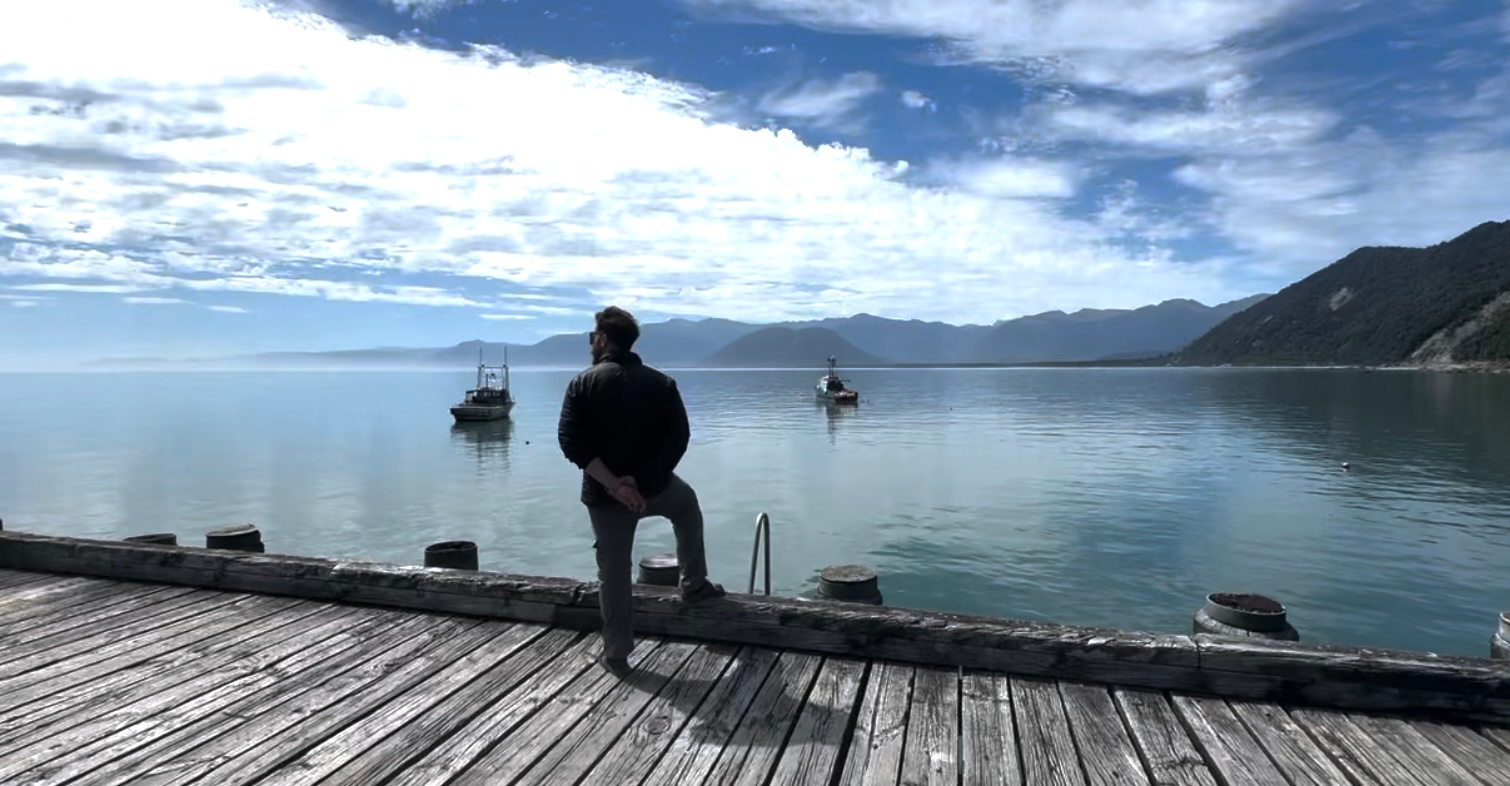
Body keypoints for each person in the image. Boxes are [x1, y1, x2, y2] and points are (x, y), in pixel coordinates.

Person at [557, 306, 725, 677]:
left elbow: (570, 442)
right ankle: (694, 585)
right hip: (655, 487)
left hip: (605, 495)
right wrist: (642, 482)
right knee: (687, 507)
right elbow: (678, 438)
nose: (590, 342)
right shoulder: (661, 384)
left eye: (592, 337)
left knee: (614, 572)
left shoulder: (582, 384)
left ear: (602, 340)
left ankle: (617, 653)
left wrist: (615, 484)